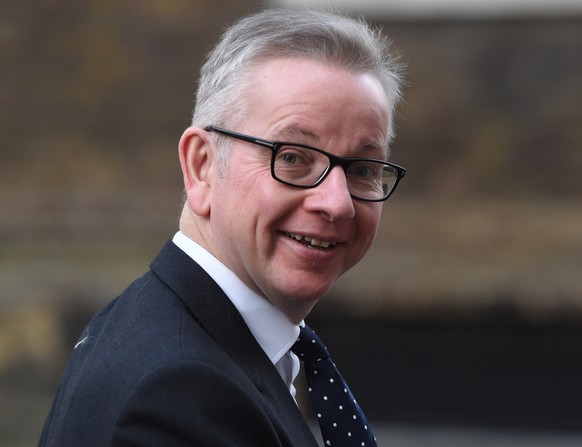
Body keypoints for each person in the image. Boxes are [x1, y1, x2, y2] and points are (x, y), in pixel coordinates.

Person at [39, 8, 406, 446]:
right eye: (292, 157)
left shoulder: (173, 331)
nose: (337, 203)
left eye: (362, 168)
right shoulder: (177, 395)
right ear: (202, 166)